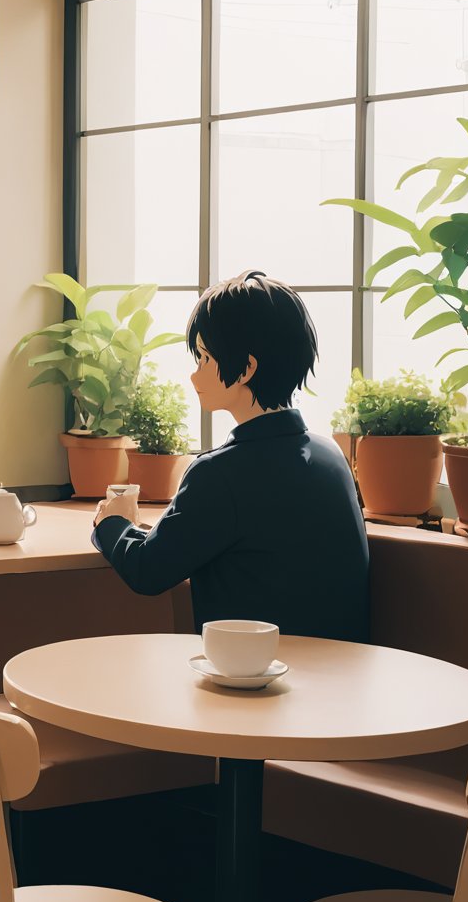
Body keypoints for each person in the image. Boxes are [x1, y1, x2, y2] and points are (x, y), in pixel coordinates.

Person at [91, 270, 368, 642]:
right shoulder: (331, 456)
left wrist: (110, 523)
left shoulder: (219, 473)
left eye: (204, 359)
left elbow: (147, 570)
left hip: (254, 681)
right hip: (337, 680)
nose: (194, 376)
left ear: (246, 368)